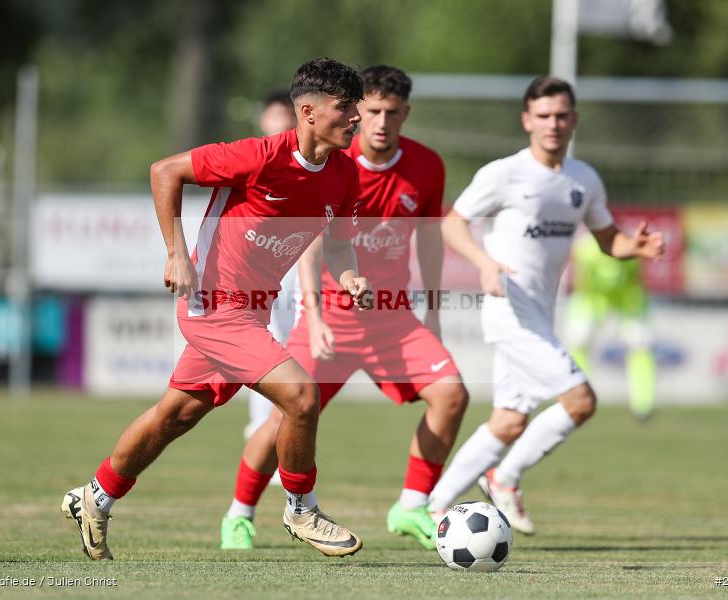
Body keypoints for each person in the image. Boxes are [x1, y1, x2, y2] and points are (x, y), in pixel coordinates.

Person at [61, 58, 371, 559]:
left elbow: (338, 245)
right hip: (213, 306)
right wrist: (176, 253)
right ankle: (301, 508)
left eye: (356, 107)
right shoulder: (258, 156)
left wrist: (351, 275)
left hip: (253, 313)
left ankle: (93, 497)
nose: (356, 117)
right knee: (301, 396)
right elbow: (165, 171)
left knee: (175, 416)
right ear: (309, 112)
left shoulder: (344, 176)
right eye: (346, 108)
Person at [220, 65, 469, 551]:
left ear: (405, 114)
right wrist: (313, 318)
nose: (379, 121)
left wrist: (433, 311)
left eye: (391, 113)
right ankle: (239, 514)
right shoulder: (337, 158)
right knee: (280, 423)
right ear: (358, 110)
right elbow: (314, 242)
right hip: (330, 317)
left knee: (453, 395)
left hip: (392, 320)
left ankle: (412, 505)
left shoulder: (427, 166)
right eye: (371, 111)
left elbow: (431, 237)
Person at [427, 76, 665, 535]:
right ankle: (504, 477)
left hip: (541, 314)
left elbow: (607, 238)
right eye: (542, 116)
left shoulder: (583, 180)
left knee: (510, 420)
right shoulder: (505, 174)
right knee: (580, 400)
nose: (552, 124)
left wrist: (633, 246)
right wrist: (484, 262)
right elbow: (453, 224)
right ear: (526, 121)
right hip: (507, 311)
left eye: (560, 116)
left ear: (573, 120)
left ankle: (434, 505)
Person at [245, 89, 299, 441]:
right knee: (260, 343)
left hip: (293, 262)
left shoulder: (305, 162)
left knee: (287, 341)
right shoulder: (250, 158)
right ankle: (260, 431)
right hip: (254, 265)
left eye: (287, 115)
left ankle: (272, 431)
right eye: (275, 115)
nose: (280, 122)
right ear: (264, 119)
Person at [563, 231, 656, 420]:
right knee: (578, 341)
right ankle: (578, 397)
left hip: (627, 299)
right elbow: (581, 283)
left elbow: (637, 281)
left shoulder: (630, 249)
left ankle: (644, 404)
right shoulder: (585, 249)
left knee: (639, 345)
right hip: (592, 298)